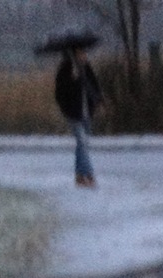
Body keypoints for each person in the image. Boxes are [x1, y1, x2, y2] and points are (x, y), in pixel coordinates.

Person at [54, 47, 102, 188]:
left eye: (84, 52)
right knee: (82, 142)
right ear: (74, 55)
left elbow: (94, 86)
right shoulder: (65, 70)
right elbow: (60, 93)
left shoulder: (86, 68)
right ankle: (89, 175)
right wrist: (72, 80)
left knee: (83, 144)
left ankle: (79, 175)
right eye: (81, 53)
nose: (84, 55)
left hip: (87, 112)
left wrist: (98, 101)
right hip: (73, 114)